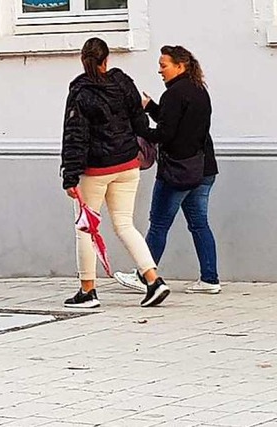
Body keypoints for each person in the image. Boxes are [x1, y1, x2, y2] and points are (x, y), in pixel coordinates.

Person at [60, 37, 170, 308]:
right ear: (107, 59)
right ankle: (153, 280)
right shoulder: (123, 83)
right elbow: (139, 121)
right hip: (127, 165)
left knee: (86, 228)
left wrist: (70, 176)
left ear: (83, 59)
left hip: (96, 169)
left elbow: (75, 135)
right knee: (124, 224)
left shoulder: (80, 90)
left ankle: (88, 291)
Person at [114, 46, 220, 294]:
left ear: (180, 66)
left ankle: (144, 276)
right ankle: (209, 279)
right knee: (199, 224)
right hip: (203, 169)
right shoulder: (198, 90)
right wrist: (151, 106)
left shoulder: (175, 94)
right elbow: (176, 122)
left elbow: (164, 133)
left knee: (159, 223)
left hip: (178, 172)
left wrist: (138, 127)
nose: (159, 70)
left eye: (164, 65)